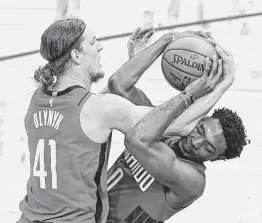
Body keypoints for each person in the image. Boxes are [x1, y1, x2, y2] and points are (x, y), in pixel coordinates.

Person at [17, 18, 217, 223]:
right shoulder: (99, 108)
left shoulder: (40, 98)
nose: (100, 47)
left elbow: (115, 90)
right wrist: (219, 83)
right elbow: (181, 124)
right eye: (93, 42)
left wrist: (148, 51)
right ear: (76, 55)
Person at [106, 34, 249, 222]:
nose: (196, 142)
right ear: (200, 119)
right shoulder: (162, 128)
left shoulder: (192, 182)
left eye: (208, 148)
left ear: (217, 158)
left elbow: (137, 139)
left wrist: (222, 84)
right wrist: (158, 47)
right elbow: (118, 85)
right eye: (200, 130)